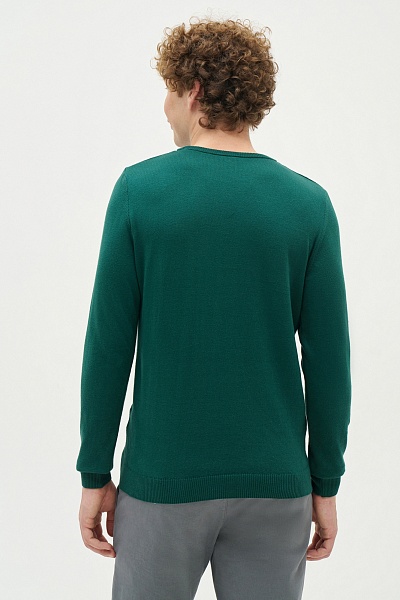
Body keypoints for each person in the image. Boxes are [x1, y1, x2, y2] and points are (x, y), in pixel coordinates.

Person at [76, 15, 351, 600]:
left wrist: (94, 472)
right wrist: (324, 482)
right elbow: (330, 363)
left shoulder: (139, 192)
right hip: (277, 487)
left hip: (162, 483)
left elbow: (108, 346)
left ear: (195, 92)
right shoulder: (309, 204)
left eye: (169, 91)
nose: (166, 109)